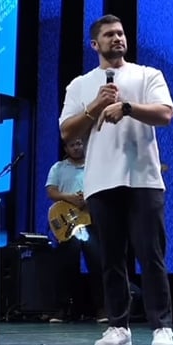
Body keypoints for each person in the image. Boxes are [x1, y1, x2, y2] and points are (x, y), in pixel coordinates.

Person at [59, 14, 173, 345]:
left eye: (121, 33)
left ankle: (161, 328)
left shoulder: (147, 74)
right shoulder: (80, 85)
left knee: (151, 255)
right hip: (100, 180)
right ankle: (118, 327)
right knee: (110, 258)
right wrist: (96, 106)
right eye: (110, 35)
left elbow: (166, 114)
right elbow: (67, 132)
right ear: (95, 44)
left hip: (144, 177)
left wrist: (126, 107)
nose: (118, 38)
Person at [44, 137, 106, 324]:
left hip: (90, 220)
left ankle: (102, 309)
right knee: (65, 266)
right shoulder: (58, 168)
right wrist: (70, 198)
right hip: (67, 222)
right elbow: (51, 192)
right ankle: (61, 309)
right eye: (73, 145)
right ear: (66, 148)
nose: (77, 148)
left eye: (80, 144)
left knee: (97, 263)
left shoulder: (95, 166)